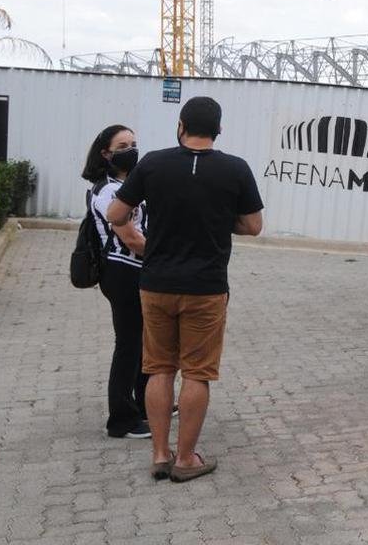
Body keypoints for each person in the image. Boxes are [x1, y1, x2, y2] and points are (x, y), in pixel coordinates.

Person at [107, 96, 264, 482]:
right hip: (206, 289)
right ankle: (187, 459)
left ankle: (160, 454)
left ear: (181, 126)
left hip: (156, 283)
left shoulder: (153, 163)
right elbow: (253, 225)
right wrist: (214, 218)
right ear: (219, 130)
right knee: (197, 373)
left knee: (158, 368)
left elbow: (115, 214)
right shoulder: (236, 169)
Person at [81, 124, 151, 440]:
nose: (131, 149)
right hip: (121, 273)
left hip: (137, 271)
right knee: (128, 345)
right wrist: (168, 253)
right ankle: (121, 419)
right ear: (106, 153)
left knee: (142, 342)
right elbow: (131, 238)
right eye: (123, 145)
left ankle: (147, 403)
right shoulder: (107, 191)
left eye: (134, 143)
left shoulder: (130, 185)